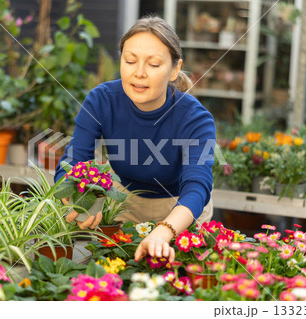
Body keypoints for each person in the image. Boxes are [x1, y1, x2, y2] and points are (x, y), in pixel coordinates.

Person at [53, 15, 216, 263]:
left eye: (153, 64)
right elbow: (75, 161)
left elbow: (196, 187)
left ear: (174, 70)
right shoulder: (102, 100)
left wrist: (165, 232)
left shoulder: (195, 118)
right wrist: (74, 200)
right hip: (123, 203)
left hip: (181, 211)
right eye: (130, 61)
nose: (139, 73)